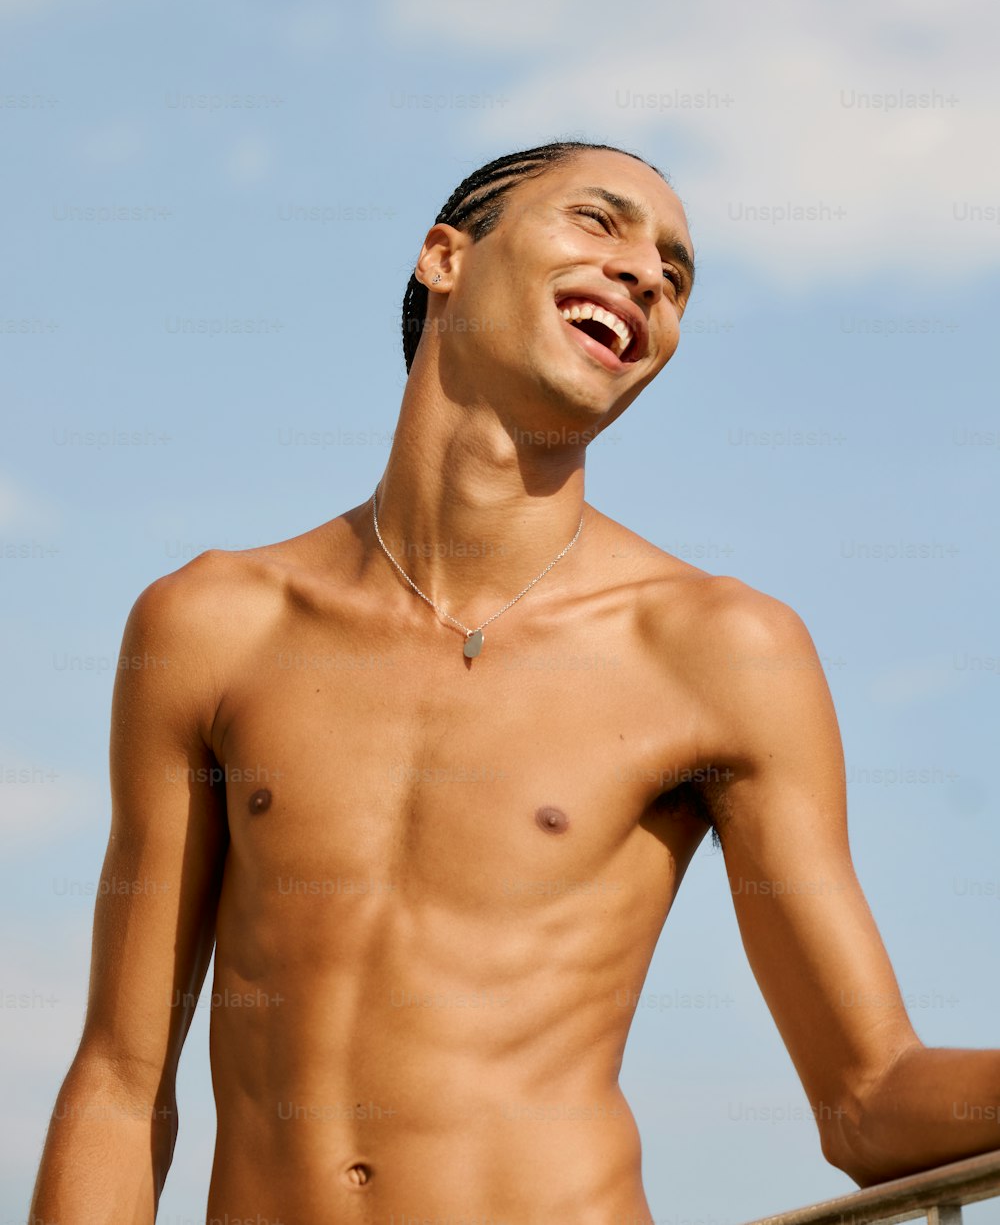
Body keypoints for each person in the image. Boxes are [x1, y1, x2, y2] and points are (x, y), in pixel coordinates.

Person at [29, 141, 999, 1225]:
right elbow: (121, 1083)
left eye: (674, 276)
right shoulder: (210, 623)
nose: (645, 275)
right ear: (445, 256)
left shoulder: (721, 647)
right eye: (599, 222)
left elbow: (868, 1099)